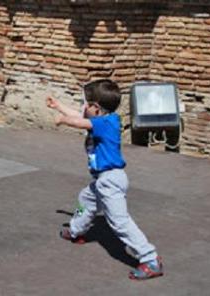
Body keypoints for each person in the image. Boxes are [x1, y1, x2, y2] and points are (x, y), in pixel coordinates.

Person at [46, 79, 163, 280]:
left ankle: (150, 259)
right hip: (102, 180)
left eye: (86, 104)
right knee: (85, 200)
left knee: (119, 222)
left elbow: (77, 121)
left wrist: (63, 120)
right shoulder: (103, 119)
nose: (83, 107)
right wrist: (59, 106)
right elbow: (79, 116)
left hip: (111, 180)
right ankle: (76, 231)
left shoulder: (107, 123)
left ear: (96, 108)